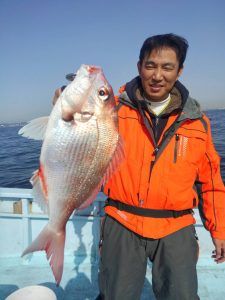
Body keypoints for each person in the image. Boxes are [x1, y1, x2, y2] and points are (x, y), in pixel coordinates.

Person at [54, 33, 225, 300]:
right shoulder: (113, 111)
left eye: (167, 67)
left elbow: (211, 183)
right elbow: (80, 119)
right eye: (151, 65)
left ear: (179, 71)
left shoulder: (197, 122)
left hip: (176, 226)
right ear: (139, 67)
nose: (158, 75)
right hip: (122, 221)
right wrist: (66, 100)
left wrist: (219, 230)